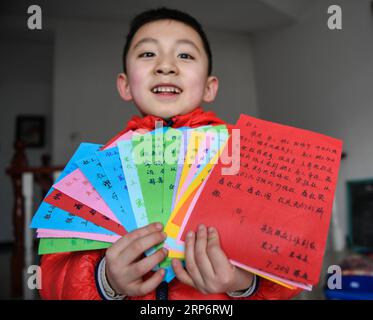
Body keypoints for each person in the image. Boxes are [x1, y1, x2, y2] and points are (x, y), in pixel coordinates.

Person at [40, 7, 302, 300]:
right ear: (125, 85)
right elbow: (52, 278)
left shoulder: (240, 155)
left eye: (185, 55)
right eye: (148, 54)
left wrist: (245, 283)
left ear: (209, 86)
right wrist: (105, 279)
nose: (166, 66)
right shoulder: (96, 167)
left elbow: (289, 260)